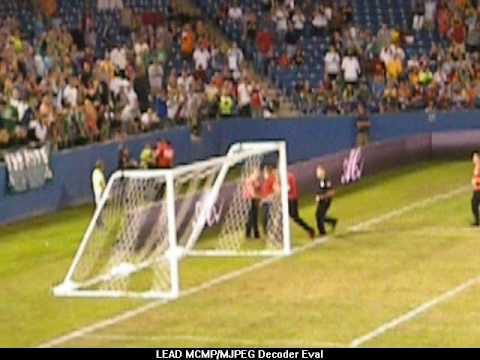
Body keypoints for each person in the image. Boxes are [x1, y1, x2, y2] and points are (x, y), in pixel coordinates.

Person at [287, 172, 315, 239]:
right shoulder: (288, 176)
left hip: (292, 199)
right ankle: (309, 230)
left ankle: (310, 230)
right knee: (289, 216)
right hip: (289, 199)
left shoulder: (288, 177)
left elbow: (288, 188)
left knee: (294, 216)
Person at [315, 166, 338, 236]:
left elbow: (332, 192)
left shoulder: (327, 181)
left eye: (318, 172)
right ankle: (333, 221)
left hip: (326, 201)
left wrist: (322, 197)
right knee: (319, 215)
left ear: (323, 172)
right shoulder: (320, 182)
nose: (317, 174)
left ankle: (322, 232)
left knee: (319, 215)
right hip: (321, 201)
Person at [244, 167, 261, 239]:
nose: (258, 174)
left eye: (258, 173)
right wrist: (259, 197)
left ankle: (256, 234)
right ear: (253, 173)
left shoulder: (256, 181)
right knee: (251, 217)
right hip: (249, 200)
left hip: (254, 199)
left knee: (255, 217)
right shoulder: (249, 181)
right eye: (257, 173)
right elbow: (252, 193)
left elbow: (258, 188)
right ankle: (248, 233)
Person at [260, 165, 278, 236]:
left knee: (268, 217)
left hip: (269, 202)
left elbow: (277, 190)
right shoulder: (266, 180)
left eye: (264, 171)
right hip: (264, 202)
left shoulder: (271, 179)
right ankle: (266, 232)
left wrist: (269, 197)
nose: (263, 173)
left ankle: (270, 232)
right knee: (264, 218)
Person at [471, 151, 480, 226]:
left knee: (474, 204)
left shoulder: (479, 166)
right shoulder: (476, 166)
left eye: (475, 157)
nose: (473, 159)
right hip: (476, 189)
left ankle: (476, 221)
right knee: (474, 204)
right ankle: (476, 221)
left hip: (478, 189)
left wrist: (476, 183)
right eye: (473, 157)